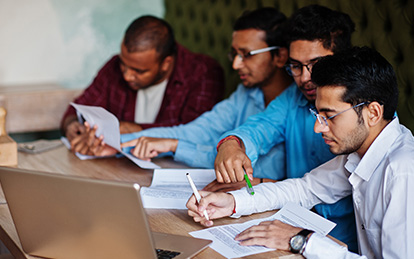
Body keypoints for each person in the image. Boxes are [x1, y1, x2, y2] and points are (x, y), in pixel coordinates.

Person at [188, 46, 414, 258]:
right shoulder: (360, 153)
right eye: (318, 115)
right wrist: (231, 202)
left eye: (330, 116)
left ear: (373, 113)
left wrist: (301, 240)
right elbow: (304, 189)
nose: (318, 127)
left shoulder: (403, 172)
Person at [89, 7, 294, 188]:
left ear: (280, 57)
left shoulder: (297, 105)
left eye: (247, 54)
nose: (236, 65)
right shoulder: (245, 94)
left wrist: (174, 146)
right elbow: (197, 131)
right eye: (234, 54)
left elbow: (238, 166)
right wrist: (117, 142)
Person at [213, 5, 357, 251]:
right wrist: (232, 144)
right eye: (296, 66)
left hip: (342, 243)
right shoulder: (292, 97)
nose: (304, 78)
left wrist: (263, 183)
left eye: (316, 64)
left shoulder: (365, 112)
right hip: (289, 228)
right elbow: (260, 127)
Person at [60, 15, 225, 155]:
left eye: (139, 71)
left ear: (166, 64)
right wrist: (72, 125)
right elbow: (80, 106)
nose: (126, 75)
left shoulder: (203, 73)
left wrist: (134, 129)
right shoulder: (114, 66)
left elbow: (196, 133)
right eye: (124, 65)